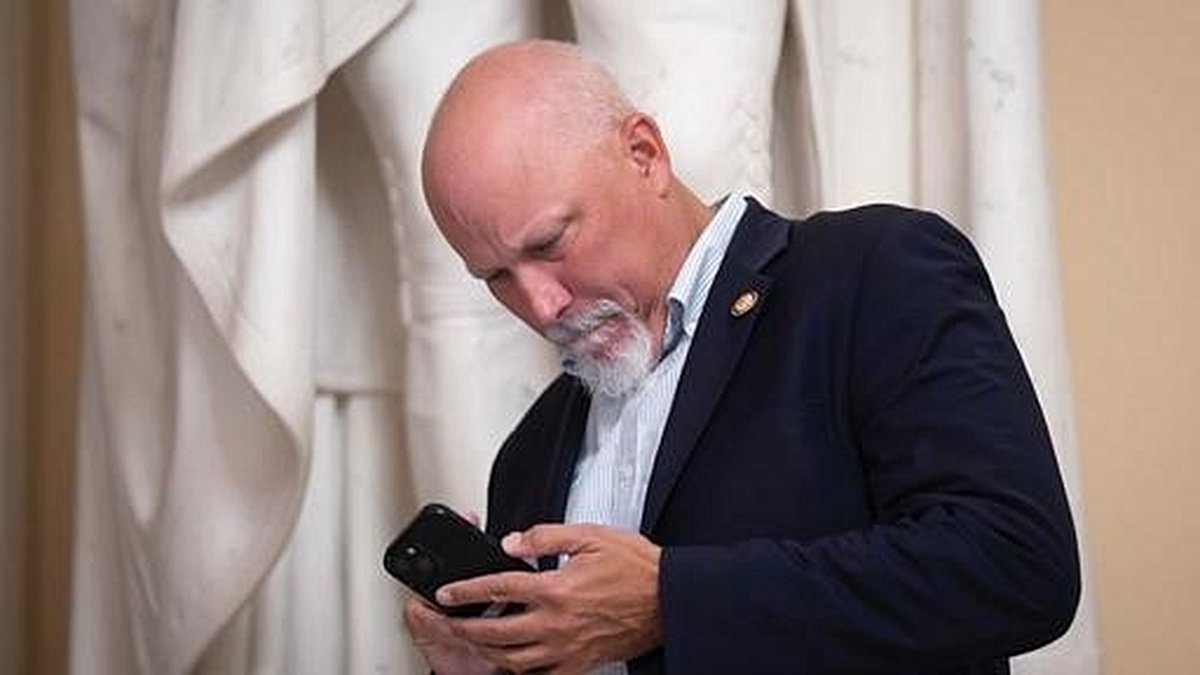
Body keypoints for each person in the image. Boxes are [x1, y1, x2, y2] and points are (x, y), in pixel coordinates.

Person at [405, 39, 1080, 675]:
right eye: (496, 276)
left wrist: (672, 600)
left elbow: (1017, 563)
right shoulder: (529, 450)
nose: (541, 306)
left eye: (549, 243)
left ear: (644, 155)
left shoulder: (873, 272)